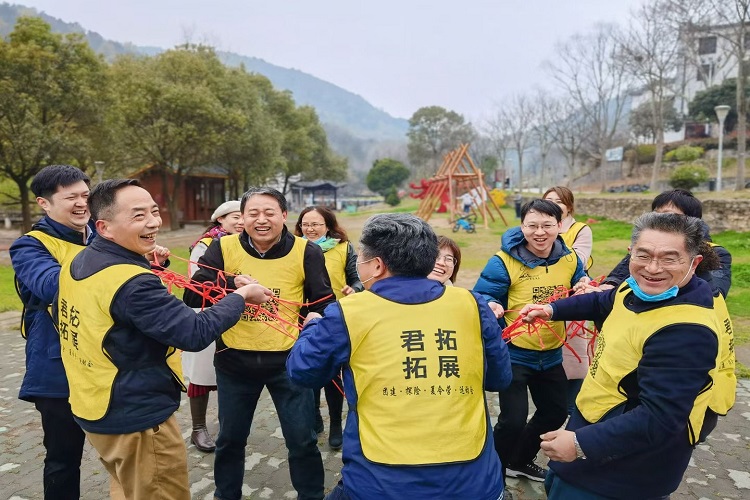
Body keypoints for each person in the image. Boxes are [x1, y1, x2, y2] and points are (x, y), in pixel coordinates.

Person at [56, 179, 272, 499]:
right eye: (138, 215)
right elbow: (193, 332)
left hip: (93, 405)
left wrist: (146, 263)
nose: (154, 222)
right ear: (104, 227)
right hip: (137, 418)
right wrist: (241, 297)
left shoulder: (80, 260)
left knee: (127, 488)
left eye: (154, 212)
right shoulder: (132, 282)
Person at [287, 213, 513, 500]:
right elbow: (499, 378)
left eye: (361, 258)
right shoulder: (472, 303)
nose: (358, 265)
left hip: (381, 484)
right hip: (475, 482)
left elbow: (302, 372)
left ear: (377, 265)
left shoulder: (348, 312)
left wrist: (312, 327)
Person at [521, 213, 720, 499]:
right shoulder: (636, 287)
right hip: (594, 426)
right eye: (644, 255)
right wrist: (552, 310)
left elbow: (660, 418)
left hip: (622, 470)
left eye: (669, 258)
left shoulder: (686, 330)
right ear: (630, 254)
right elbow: (603, 300)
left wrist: (579, 444)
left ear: (694, 262)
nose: (653, 268)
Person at [183, 187, 334, 500]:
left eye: (269, 213)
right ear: (242, 218)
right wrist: (231, 284)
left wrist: (316, 319)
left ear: (284, 216)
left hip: (289, 365)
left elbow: (322, 301)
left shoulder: (307, 251)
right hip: (234, 363)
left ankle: (312, 495)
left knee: (302, 440)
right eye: (253, 213)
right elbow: (192, 294)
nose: (261, 220)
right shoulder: (222, 248)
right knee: (230, 441)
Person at [473, 199, 586, 483]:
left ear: (559, 226)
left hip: (551, 354)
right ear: (522, 226)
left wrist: (585, 284)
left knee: (555, 411)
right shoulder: (503, 261)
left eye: (547, 225)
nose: (540, 232)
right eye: (532, 225)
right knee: (512, 421)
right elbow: (482, 294)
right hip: (515, 355)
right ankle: (493, 476)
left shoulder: (570, 258)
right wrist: (491, 304)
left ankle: (519, 459)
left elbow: (581, 280)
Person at [9, 164, 95, 499]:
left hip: (108, 366)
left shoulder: (102, 236)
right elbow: (53, 284)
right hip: (57, 370)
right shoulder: (29, 246)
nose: (81, 203)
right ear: (44, 203)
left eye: (86, 195)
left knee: (122, 457)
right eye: (70, 196)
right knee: (63, 460)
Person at [294, 205, 363, 450]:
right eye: (306, 224)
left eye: (316, 224)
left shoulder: (343, 248)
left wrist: (353, 288)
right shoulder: (293, 247)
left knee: (334, 373)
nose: (310, 229)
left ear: (328, 226)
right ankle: (313, 416)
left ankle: (336, 423)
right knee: (309, 368)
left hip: (336, 317)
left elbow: (357, 278)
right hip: (302, 317)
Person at [183, 199, 243, 453]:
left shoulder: (245, 245)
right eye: (235, 217)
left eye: (244, 217)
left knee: (231, 372)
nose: (241, 222)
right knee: (201, 373)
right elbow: (198, 286)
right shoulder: (205, 246)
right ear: (220, 220)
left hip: (237, 314)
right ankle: (198, 427)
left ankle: (229, 425)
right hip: (206, 313)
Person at [599, 189, 731, 297]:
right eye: (656, 215)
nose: (660, 221)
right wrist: (609, 286)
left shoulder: (717, 254)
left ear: (692, 221)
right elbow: (619, 275)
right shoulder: (647, 246)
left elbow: (716, 294)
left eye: (670, 217)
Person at [542, 186, 593, 414]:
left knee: (575, 355)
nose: (554, 204)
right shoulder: (539, 228)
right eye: (548, 200)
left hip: (573, 296)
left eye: (559, 201)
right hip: (542, 295)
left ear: (569, 206)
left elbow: (579, 260)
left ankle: (574, 410)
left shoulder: (580, 229)